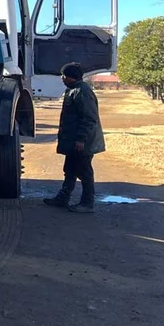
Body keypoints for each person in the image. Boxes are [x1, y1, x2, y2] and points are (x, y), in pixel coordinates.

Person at [44, 62, 105, 213]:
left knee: (84, 172)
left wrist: (81, 139)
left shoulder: (81, 92)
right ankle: (63, 198)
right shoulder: (74, 90)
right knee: (70, 169)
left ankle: (87, 203)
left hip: (83, 142)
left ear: (70, 77)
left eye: (63, 75)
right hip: (74, 141)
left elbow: (89, 119)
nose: (62, 78)